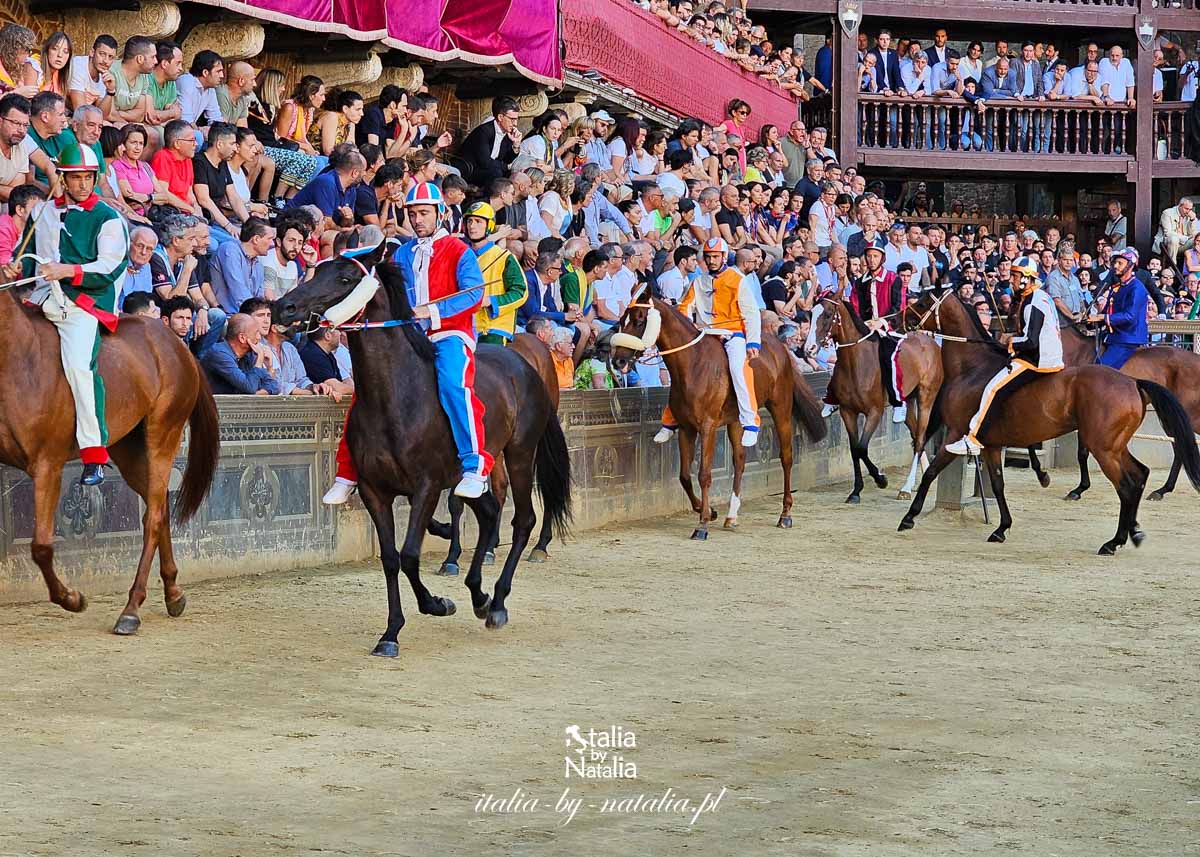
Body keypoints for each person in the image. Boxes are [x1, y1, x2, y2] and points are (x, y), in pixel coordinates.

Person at [323, 182, 489, 505]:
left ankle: (475, 466)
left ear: (440, 213)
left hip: (450, 334)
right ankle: (347, 472)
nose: (418, 220)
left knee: (454, 385)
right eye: (413, 214)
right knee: (367, 391)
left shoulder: (460, 251)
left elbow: (474, 294)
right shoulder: (402, 252)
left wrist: (433, 311)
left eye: (424, 213)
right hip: (410, 336)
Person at [23, 143, 127, 485]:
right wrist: (15, 267)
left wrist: (67, 271)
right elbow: (30, 259)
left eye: (87, 177)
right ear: (63, 180)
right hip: (42, 297)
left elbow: (109, 268)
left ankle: (94, 453)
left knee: (79, 369)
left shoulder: (109, 218)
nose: (82, 184)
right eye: (75, 178)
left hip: (84, 304)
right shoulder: (43, 213)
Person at [948, 257, 1064, 456]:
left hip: (1038, 360)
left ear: (1026, 279)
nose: (1012, 279)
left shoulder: (1033, 302)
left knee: (993, 388)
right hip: (1044, 354)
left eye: (1016, 275)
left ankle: (973, 438)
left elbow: (1031, 342)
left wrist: (1010, 341)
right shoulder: (1038, 297)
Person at [688, 238, 761, 446]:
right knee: (684, 369)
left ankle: (750, 424)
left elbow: (751, 312)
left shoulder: (737, 279)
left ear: (724, 257)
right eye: (708, 257)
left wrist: (753, 342)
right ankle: (670, 420)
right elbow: (685, 308)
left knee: (739, 370)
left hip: (732, 334)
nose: (711, 261)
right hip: (704, 335)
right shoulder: (698, 281)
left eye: (715, 257)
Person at [464, 201, 527, 345]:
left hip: (493, 328)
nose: (472, 226)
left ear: (489, 225)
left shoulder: (504, 257)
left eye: (478, 221)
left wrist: (491, 301)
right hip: (465, 327)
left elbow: (521, 292)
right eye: (469, 221)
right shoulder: (461, 256)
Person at [1091, 248, 1148, 370]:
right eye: (1115, 263)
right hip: (1113, 336)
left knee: (1098, 370)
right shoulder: (1116, 287)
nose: (1115, 266)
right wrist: (1091, 321)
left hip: (1127, 339)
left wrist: (1103, 317)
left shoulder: (1137, 288)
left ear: (1131, 266)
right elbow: (1107, 312)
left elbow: (1129, 316)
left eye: (1120, 263)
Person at [199, 312, 280, 395]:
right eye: (256, 333)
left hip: (236, 406)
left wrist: (269, 367)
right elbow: (250, 387)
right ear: (242, 338)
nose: (259, 337)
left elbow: (275, 387)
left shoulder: (249, 354)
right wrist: (260, 359)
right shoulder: (219, 354)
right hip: (216, 406)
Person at [459, 96, 521, 186]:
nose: (515, 124)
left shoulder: (508, 131)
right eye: (512, 119)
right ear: (500, 117)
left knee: (515, 175)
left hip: (490, 169)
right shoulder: (484, 131)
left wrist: (516, 145)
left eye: (517, 119)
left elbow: (507, 159)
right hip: (470, 169)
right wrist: (507, 167)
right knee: (497, 173)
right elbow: (485, 162)